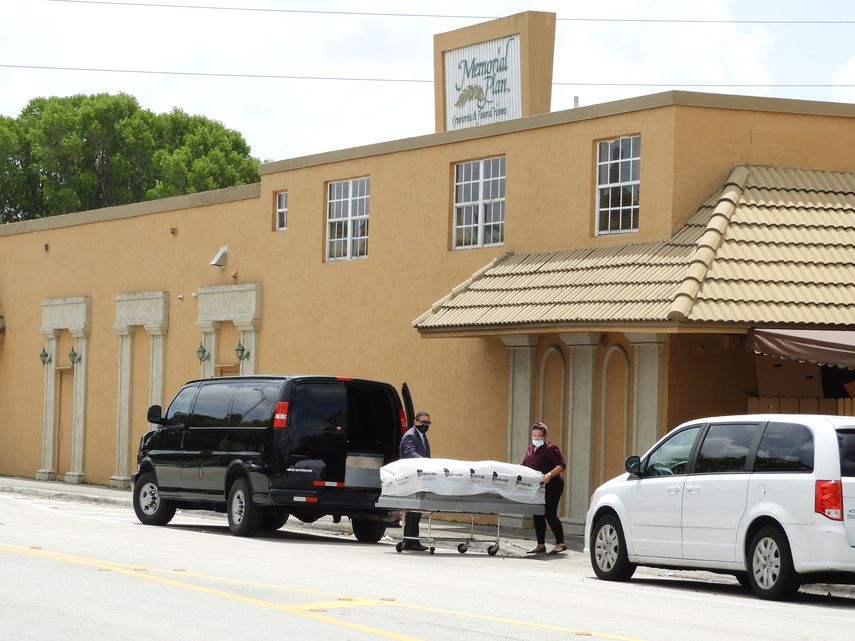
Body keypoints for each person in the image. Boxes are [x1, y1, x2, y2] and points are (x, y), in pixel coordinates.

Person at [521, 422, 567, 554]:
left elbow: (561, 465)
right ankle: (540, 544)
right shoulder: (530, 449)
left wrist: (549, 474)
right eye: (534, 436)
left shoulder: (551, 449)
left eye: (539, 436)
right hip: (537, 487)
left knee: (549, 513)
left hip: (553, 485)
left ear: (544, 437)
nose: (536, 439)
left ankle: (560, 543)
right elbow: (524, 466)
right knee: (537, 512)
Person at [399, 411, 432, 551]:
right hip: (412, 478)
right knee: (413, 510)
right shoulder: (410, 436)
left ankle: (412, 540)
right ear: (415, 422)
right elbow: (410, 452)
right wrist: (423, 461)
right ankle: (409, 540)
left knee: (416, 511)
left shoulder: (423, 436)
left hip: (420, 478)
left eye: (427, 423)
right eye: (422, 422)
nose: (425, 425)